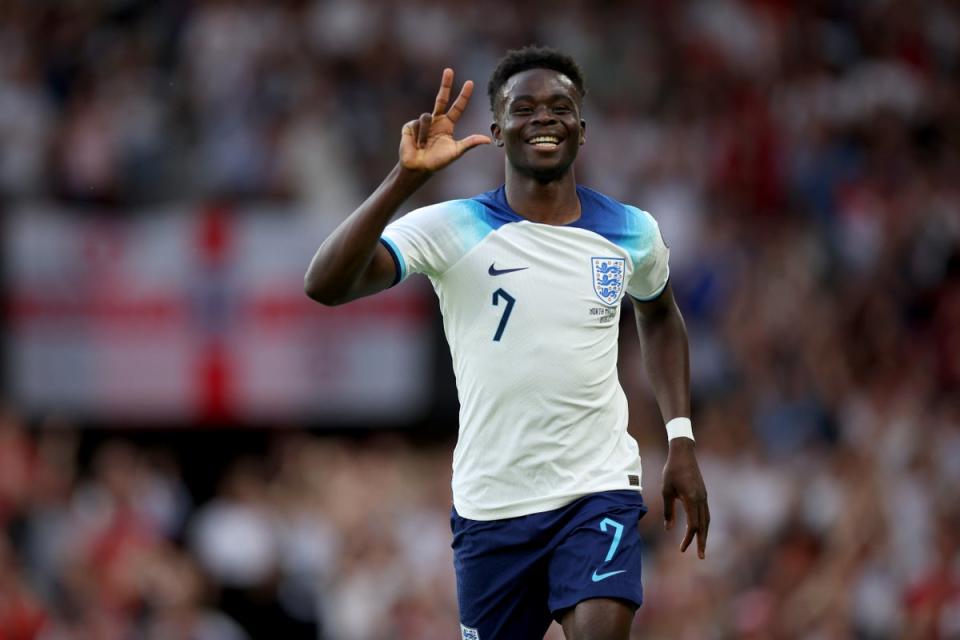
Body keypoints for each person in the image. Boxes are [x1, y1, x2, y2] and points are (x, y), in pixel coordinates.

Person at [304, 46, 709, 640]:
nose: (543, 117)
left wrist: (680, 438)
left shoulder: (631, 231)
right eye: (524, 108)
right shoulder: (450, 227)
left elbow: (660, 314)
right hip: (491, 506)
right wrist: (403, 181)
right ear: (497, 132)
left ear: (582, 128)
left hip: (595, 491)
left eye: (559, 106)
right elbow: (325, 285)